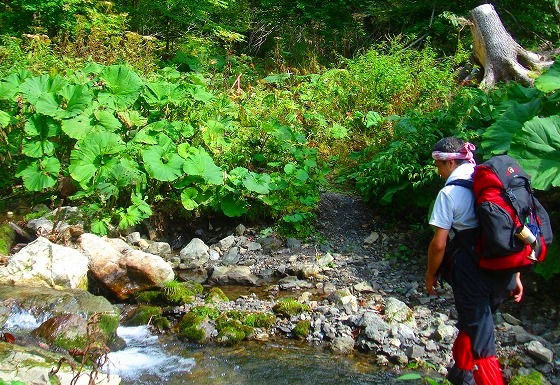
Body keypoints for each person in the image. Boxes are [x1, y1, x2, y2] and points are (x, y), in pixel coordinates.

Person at [425, 137, 523, 385]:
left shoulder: (449, 193)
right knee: (474, 325)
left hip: (473, 272)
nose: (438, 171)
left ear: (448, 164)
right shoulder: (494, 185)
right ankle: (461, 375)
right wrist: (517, 274)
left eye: (438, 165)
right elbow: (513, 229)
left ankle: (487, 380)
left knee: (483, 342)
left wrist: (430, 275)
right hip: (505, 268)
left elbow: (439, 244)